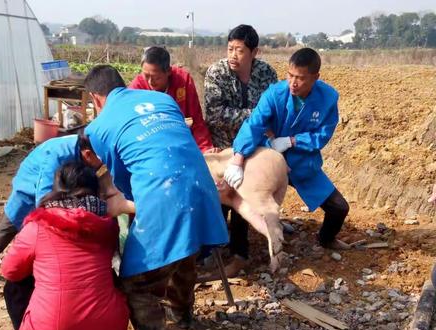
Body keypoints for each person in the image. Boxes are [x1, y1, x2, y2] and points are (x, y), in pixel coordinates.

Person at [83, 65, 228, 330]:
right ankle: (184, 316)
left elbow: (121, 179)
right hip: (203, 188)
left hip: (164, 194)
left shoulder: (99, 127)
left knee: (136, 285)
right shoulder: (162, 102)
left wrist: (133, 209)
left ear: (96, 98)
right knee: (185, 251)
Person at [1, 160, 131, 330]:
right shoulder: (107, 224)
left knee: (15, 285)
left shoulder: (39, 225)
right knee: (105, 274)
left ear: (57, 189)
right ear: (95, 190)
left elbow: (10, 271)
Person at [225, 47, 350, 250]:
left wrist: (292, 141)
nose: (293, 82)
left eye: (300, 78)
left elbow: (322, 135)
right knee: (245, 198)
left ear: (315, 77)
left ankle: (326, 239)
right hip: (270, 158)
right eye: (290, 75)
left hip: (302, 163)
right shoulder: (275, 94)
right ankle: (240, 252)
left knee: (339, 208)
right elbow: (254, 124)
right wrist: (238, 158)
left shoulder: (327, 99)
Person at [0, 135, 83, 311]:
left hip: (59, 195)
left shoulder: (88, 151)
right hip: (27, 193)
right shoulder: (59, 153)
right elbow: (43, 197)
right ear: (86, 150)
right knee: (1, 237)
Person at [204, 24, 278, 276]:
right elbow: (215, 115)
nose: (233, 55)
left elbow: (274, 111)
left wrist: (258, 122)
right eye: (230, 49)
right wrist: (256, 118)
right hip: (223, 146)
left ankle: (239, 254)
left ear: (254, 51)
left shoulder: (266, 73)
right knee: (218, 199)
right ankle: (212, 250)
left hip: (255, 149)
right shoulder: (217, 73)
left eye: (240, 50)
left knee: (243, 197)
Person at [129, 46, 214, 153]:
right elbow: (130, 125)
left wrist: (205, 148)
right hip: (150, 142)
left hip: (180, 139)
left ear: (169, 71)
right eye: (146, 76)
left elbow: (196, 120)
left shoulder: (183, 80)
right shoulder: (137, 87)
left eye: (156, 77)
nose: (150, 82)